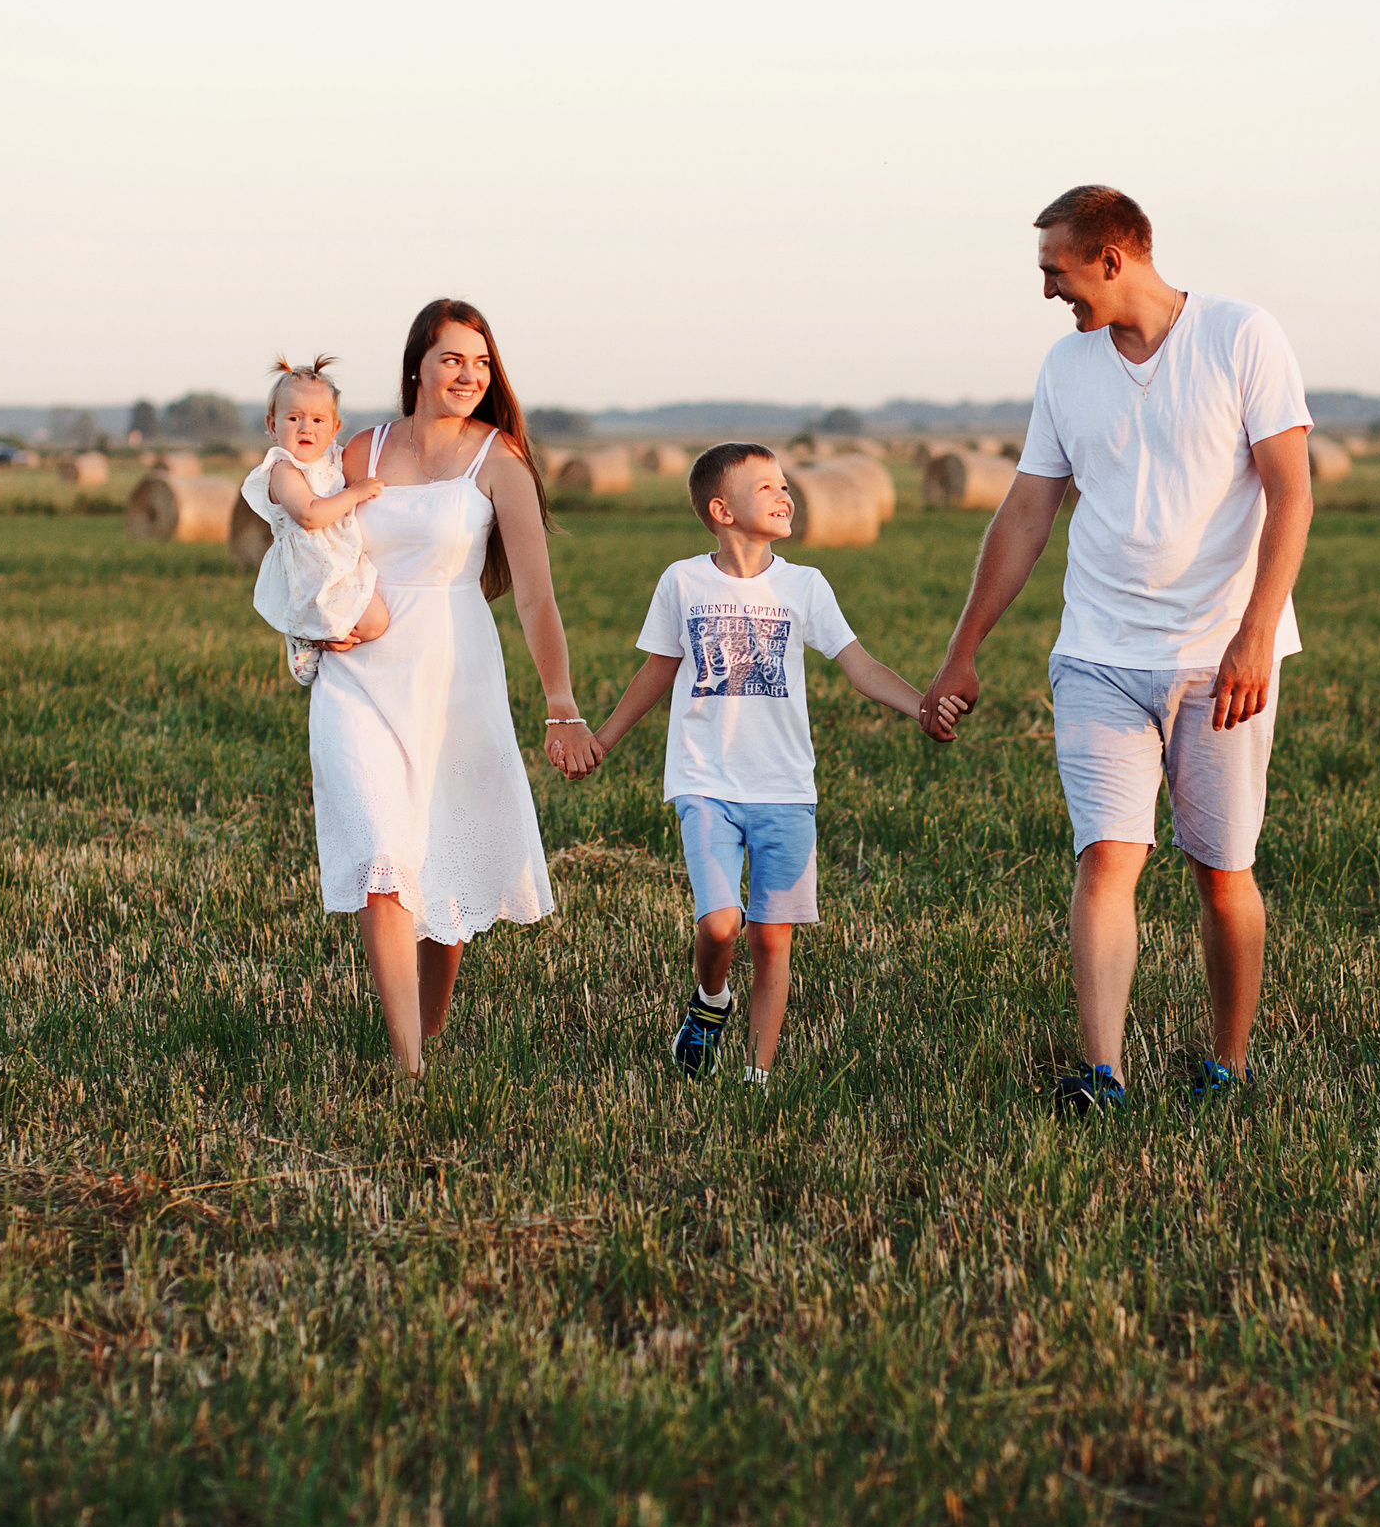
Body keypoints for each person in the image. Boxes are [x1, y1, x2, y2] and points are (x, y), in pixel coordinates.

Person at [920, 185, 1315, 1112]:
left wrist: (1256, 633)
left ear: (1111, 259)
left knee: (1222, 873)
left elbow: (1290, 493)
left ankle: (1228, 1064)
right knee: (1107, 855)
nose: (1049, 291)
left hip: (1217, 657)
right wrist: (962, 648)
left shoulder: (1242, 336)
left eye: (1055, 270)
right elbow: (1025, 514)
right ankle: (1102, 1073)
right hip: (1096, 652)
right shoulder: (1066, 367)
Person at [587, 443, 957, 1086]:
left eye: (786, 484)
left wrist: (920, 706)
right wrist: (603, 740)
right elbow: (657, 670)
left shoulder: (804, 585)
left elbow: (859, 663)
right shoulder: (682, 581)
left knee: (771, 939)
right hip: (705, 781)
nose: (785, 495)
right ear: (721, 509)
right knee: (721, 922)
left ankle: (757, 1076)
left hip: (785, 787)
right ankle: (710, 1000)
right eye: (767, 487)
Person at [308, 299, 601, 1078]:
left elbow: (536, 596)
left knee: (442, 864)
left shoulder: (497, 459)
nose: (469, 375)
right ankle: (408, 1069)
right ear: (417, 365)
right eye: (452, 359)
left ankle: (426, 1032)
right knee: (382, 860)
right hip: (355, 676)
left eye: (480, 362)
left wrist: (561, 704)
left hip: (453, 678)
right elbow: (306, 545)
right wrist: (306, 627)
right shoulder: (360, 450)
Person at [240, 354, 390, 685]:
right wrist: (355, 494)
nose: (306, 427)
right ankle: (304, 633)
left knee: (376, 619)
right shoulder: (283, 469)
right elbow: (309, 514)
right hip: (311, 568)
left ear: (335, 428)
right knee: (374, 622)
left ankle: (318, 633)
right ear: (272, 426)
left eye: (319, 421)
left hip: (336, 561)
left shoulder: (333, 459)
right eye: (294, 418)